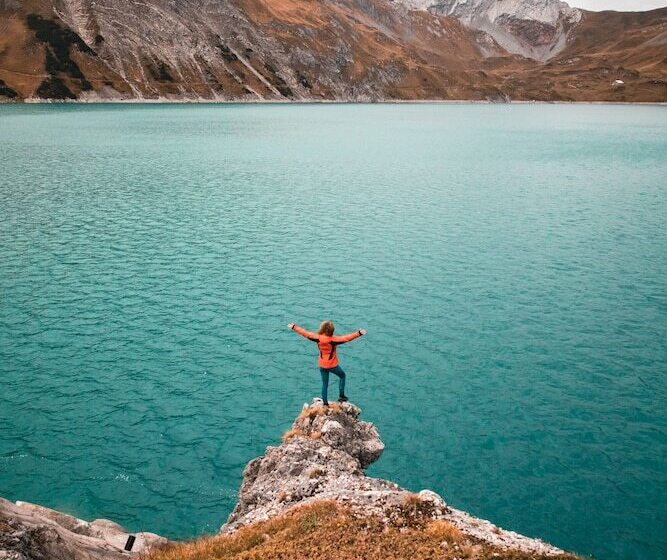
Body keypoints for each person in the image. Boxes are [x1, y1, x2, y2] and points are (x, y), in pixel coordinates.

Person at [288, 321, 366, 406]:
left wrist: (294, 327)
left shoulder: (317, 338)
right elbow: (347, 338)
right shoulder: (333, 340)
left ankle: (325, 403)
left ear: (323, 328)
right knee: (342, 376)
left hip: (322, 365)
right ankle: (341, 396)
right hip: (332, 365)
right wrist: (359, 333)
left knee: (325, 384)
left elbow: (305, 333)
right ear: (331, 331)